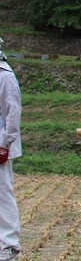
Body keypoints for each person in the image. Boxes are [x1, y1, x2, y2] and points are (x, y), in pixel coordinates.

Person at [0, 40, 21, 261]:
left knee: (2, 193)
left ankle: (9, 244)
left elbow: (12, 113)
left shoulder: (5, 76)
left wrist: (5, 144)